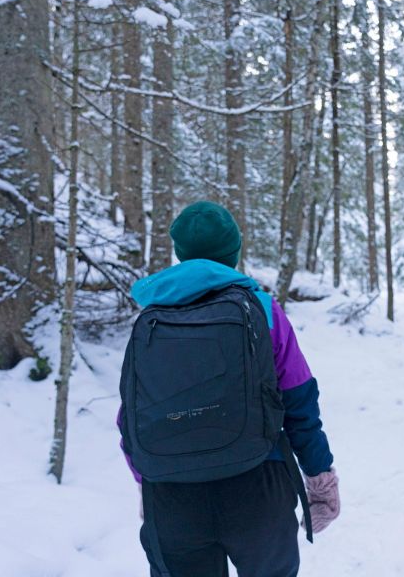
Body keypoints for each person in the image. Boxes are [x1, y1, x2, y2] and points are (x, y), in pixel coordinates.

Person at [118, 201, 339, 577]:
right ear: (233, 253)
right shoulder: (263, 309)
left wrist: (147, 481)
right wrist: (320, 478)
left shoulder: (150, 316)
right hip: (257, 483)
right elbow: (299, 401)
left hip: (172, 494)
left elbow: (130, 416)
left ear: (180, 254)